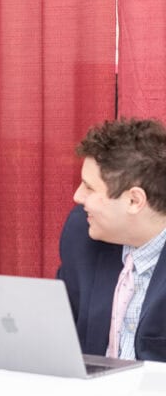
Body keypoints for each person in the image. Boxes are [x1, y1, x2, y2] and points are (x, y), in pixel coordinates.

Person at [58, 118, 166, 362]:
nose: (77, 196)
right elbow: (61, 333)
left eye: (89, 188)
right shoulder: (81, 235)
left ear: (134, 201)